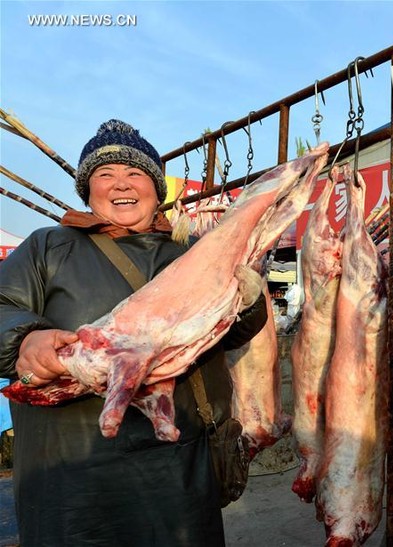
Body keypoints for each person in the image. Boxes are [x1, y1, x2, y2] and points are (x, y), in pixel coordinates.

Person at [0, 119, 267, 546]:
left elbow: (229, 334)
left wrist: (249, 304)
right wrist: (25, 338)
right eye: (105, 175)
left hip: (179, 464)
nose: (120, 184)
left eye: (135, 173)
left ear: (156, 189)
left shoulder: (190, 253)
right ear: (88, 191)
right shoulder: (47, 247)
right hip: (71, 474)